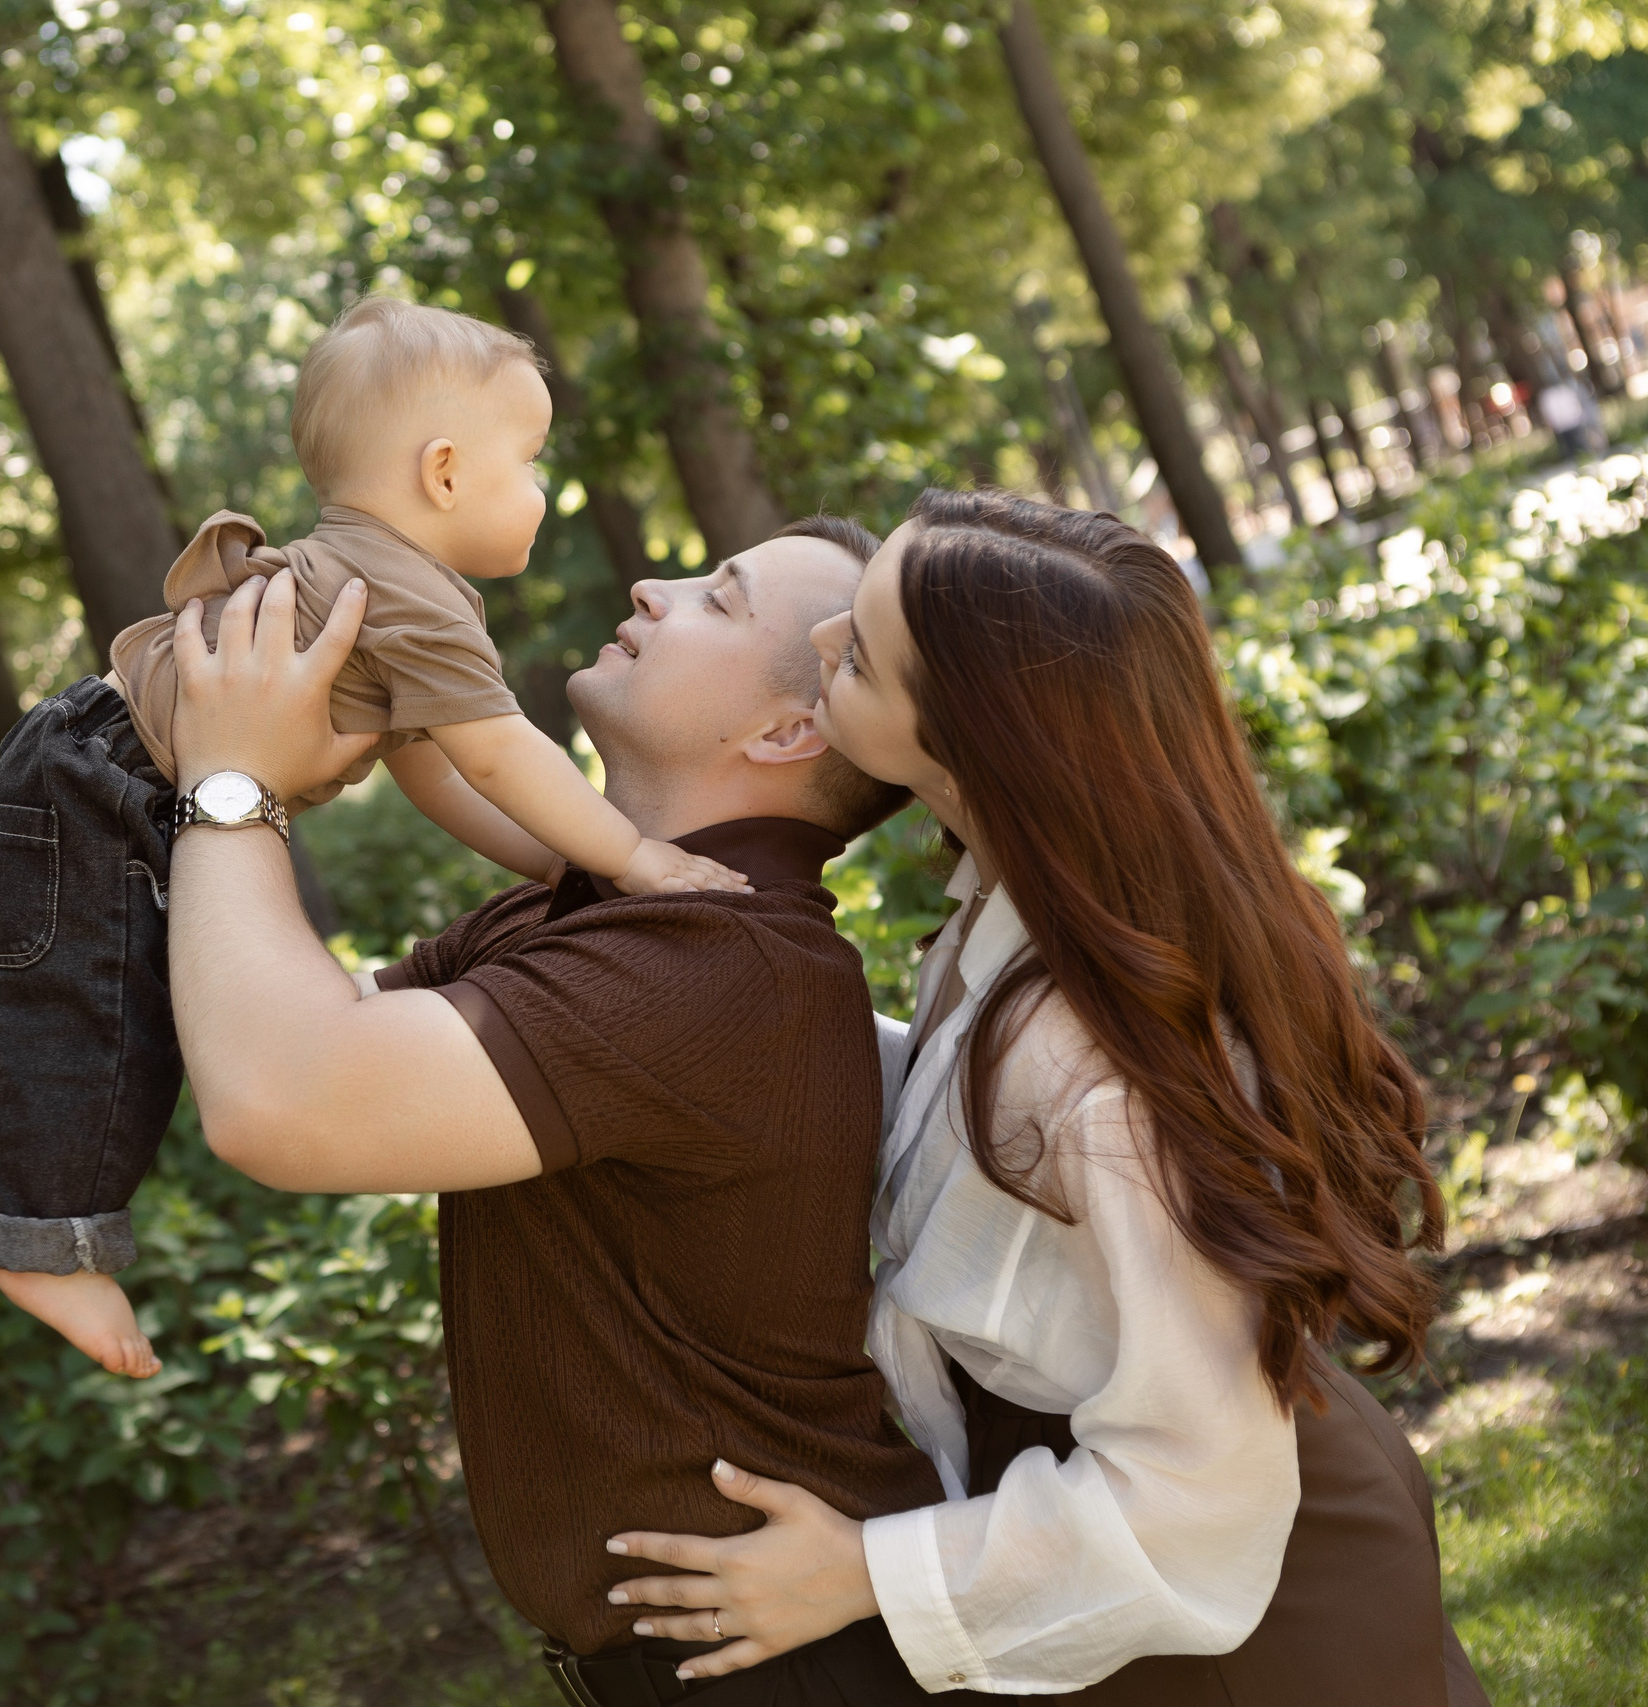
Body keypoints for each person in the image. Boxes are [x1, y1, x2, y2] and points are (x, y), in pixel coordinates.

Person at [602, 490, 1490, 1703]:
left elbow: (1200, 1493)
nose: (818, 640)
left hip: (1226, 1585)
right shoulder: (1020, 922)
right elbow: (951, 1125)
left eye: (858, 655)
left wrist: (860, 1573)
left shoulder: (1091, 1066)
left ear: (970, 749)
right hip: (1155, 1530)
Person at [82, 519, 975, 1705]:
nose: (650, 586)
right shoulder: (587, 917)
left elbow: (279, 1103)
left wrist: (231, 784)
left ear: (784, 731)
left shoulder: (720, 966)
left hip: (792, 1673)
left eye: (717, 598)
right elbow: (261, 1032)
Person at [0, 296, 743, 1379]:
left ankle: (7, 1203)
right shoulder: (416, 601)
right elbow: (500, 756)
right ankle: (49, 1243)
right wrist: (634, 856)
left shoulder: (381, 583)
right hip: (99, 779)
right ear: (445, 473)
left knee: (69, 994)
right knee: (97, 1004)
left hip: (81, 757)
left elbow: (432, 772)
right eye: (531, 460)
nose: (542, 487)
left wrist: (561, 863)